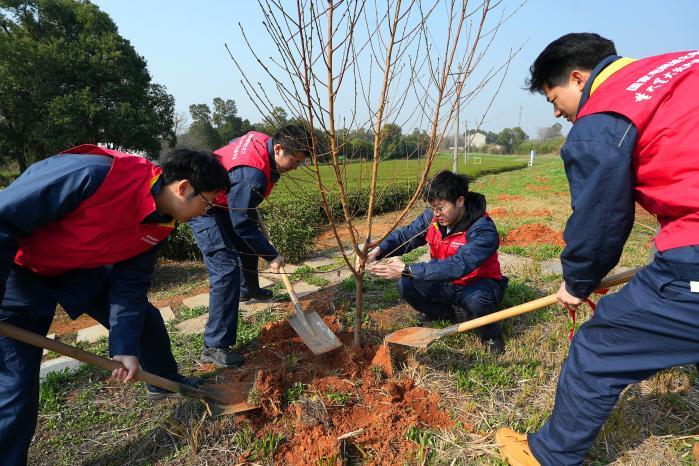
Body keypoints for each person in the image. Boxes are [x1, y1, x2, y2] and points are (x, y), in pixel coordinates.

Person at [497, 33, 699, 466]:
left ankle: (549, 456)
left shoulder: (604, 116)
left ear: (577, 78)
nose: (557, 111)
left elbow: (601, 219)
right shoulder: (681, 64)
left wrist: (577, 281)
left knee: (599, 347)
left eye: (553, 98)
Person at [0, 144, 230, 466]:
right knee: (15, 384)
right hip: (19, 269)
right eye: (208, 202)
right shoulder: (92, 175)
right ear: (183, 188)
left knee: (144, 320)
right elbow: (4, 218)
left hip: (77, 268)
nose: (207, 212)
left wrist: (124, 348)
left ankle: (163, 381)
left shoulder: (161, 226)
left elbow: (129, 286)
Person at [188, 125, 309, 367]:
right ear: (278, 148)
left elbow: (235, 141)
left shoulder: (260, 139)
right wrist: (272, 256)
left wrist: (244, 197)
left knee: (248, 244)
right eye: (295, 161)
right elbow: (242, 224)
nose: (296, 167)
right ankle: (214, 345)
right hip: (202, 206)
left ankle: (249, 290)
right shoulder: (251, 176)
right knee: (226, 271)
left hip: (229, 200)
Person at [367, 170, 508, 354]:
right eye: (433, 207)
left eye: (440, 208)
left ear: (460, 201)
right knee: (405, 284)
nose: (436, 213)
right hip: (445, 281)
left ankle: (490, 336)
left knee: (477, 300)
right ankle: (442, 313)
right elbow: (406, 235)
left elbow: (459, 264)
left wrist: (408, 269)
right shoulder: (432, 219)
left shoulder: (483, 228)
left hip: (477, 283)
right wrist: (378, 250)